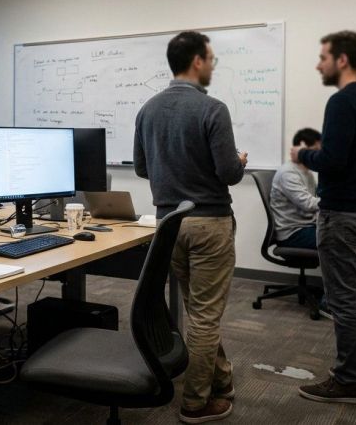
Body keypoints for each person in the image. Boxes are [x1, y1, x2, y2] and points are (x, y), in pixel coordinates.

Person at [134, 31, 247, 423]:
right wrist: (240, 161)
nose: (213, 65)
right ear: (197, 61)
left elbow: (142, 169)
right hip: (209, 224)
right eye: (211, 59)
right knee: (205, 316)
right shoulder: (213, 109)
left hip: (169, 226)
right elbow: (228, 173)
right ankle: (196, 403)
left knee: (198, 311)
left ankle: (222, 379)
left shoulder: (147, 109)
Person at [292, 31, 356, 404]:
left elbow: (333, 161)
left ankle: (347, 382)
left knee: (344, 300)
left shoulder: (342, 101)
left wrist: (303, 155)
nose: (318, 65)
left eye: (323, 57)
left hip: (343, 216)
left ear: (343, 60)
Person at [270, 127, 332, 319]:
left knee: (340, 235)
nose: (318, 155)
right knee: (336, 242)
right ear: (302, 147)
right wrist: (336, 201)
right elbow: (308, 204)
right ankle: (329, 301)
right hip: (293, 233)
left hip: (306, 227)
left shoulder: (307, 172)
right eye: (316, 150)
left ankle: (336, 296)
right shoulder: (288, 173)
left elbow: (317, 201)